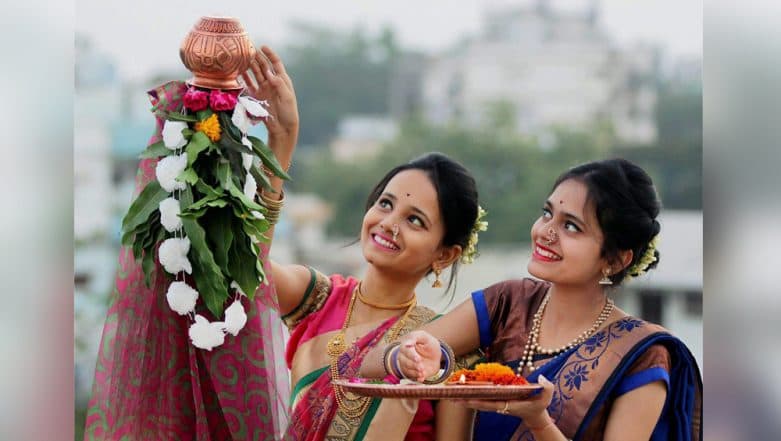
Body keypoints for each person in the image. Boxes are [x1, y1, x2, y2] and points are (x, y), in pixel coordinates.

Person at [361, 158, 703, 440]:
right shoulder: (508, 303)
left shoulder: (641, 355)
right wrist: (408, 358)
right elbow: (368, 361)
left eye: (571, 227)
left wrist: (539, 421)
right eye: (547, 213)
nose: (545, 232)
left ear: (615, 260)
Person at [242, 49, 486, 440]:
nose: (389, 223)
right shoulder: (318, 299)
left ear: (445, 254)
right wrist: (281, 144)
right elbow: (244, 270)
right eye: (386, 204)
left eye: (414, 220)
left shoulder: (446, 344)